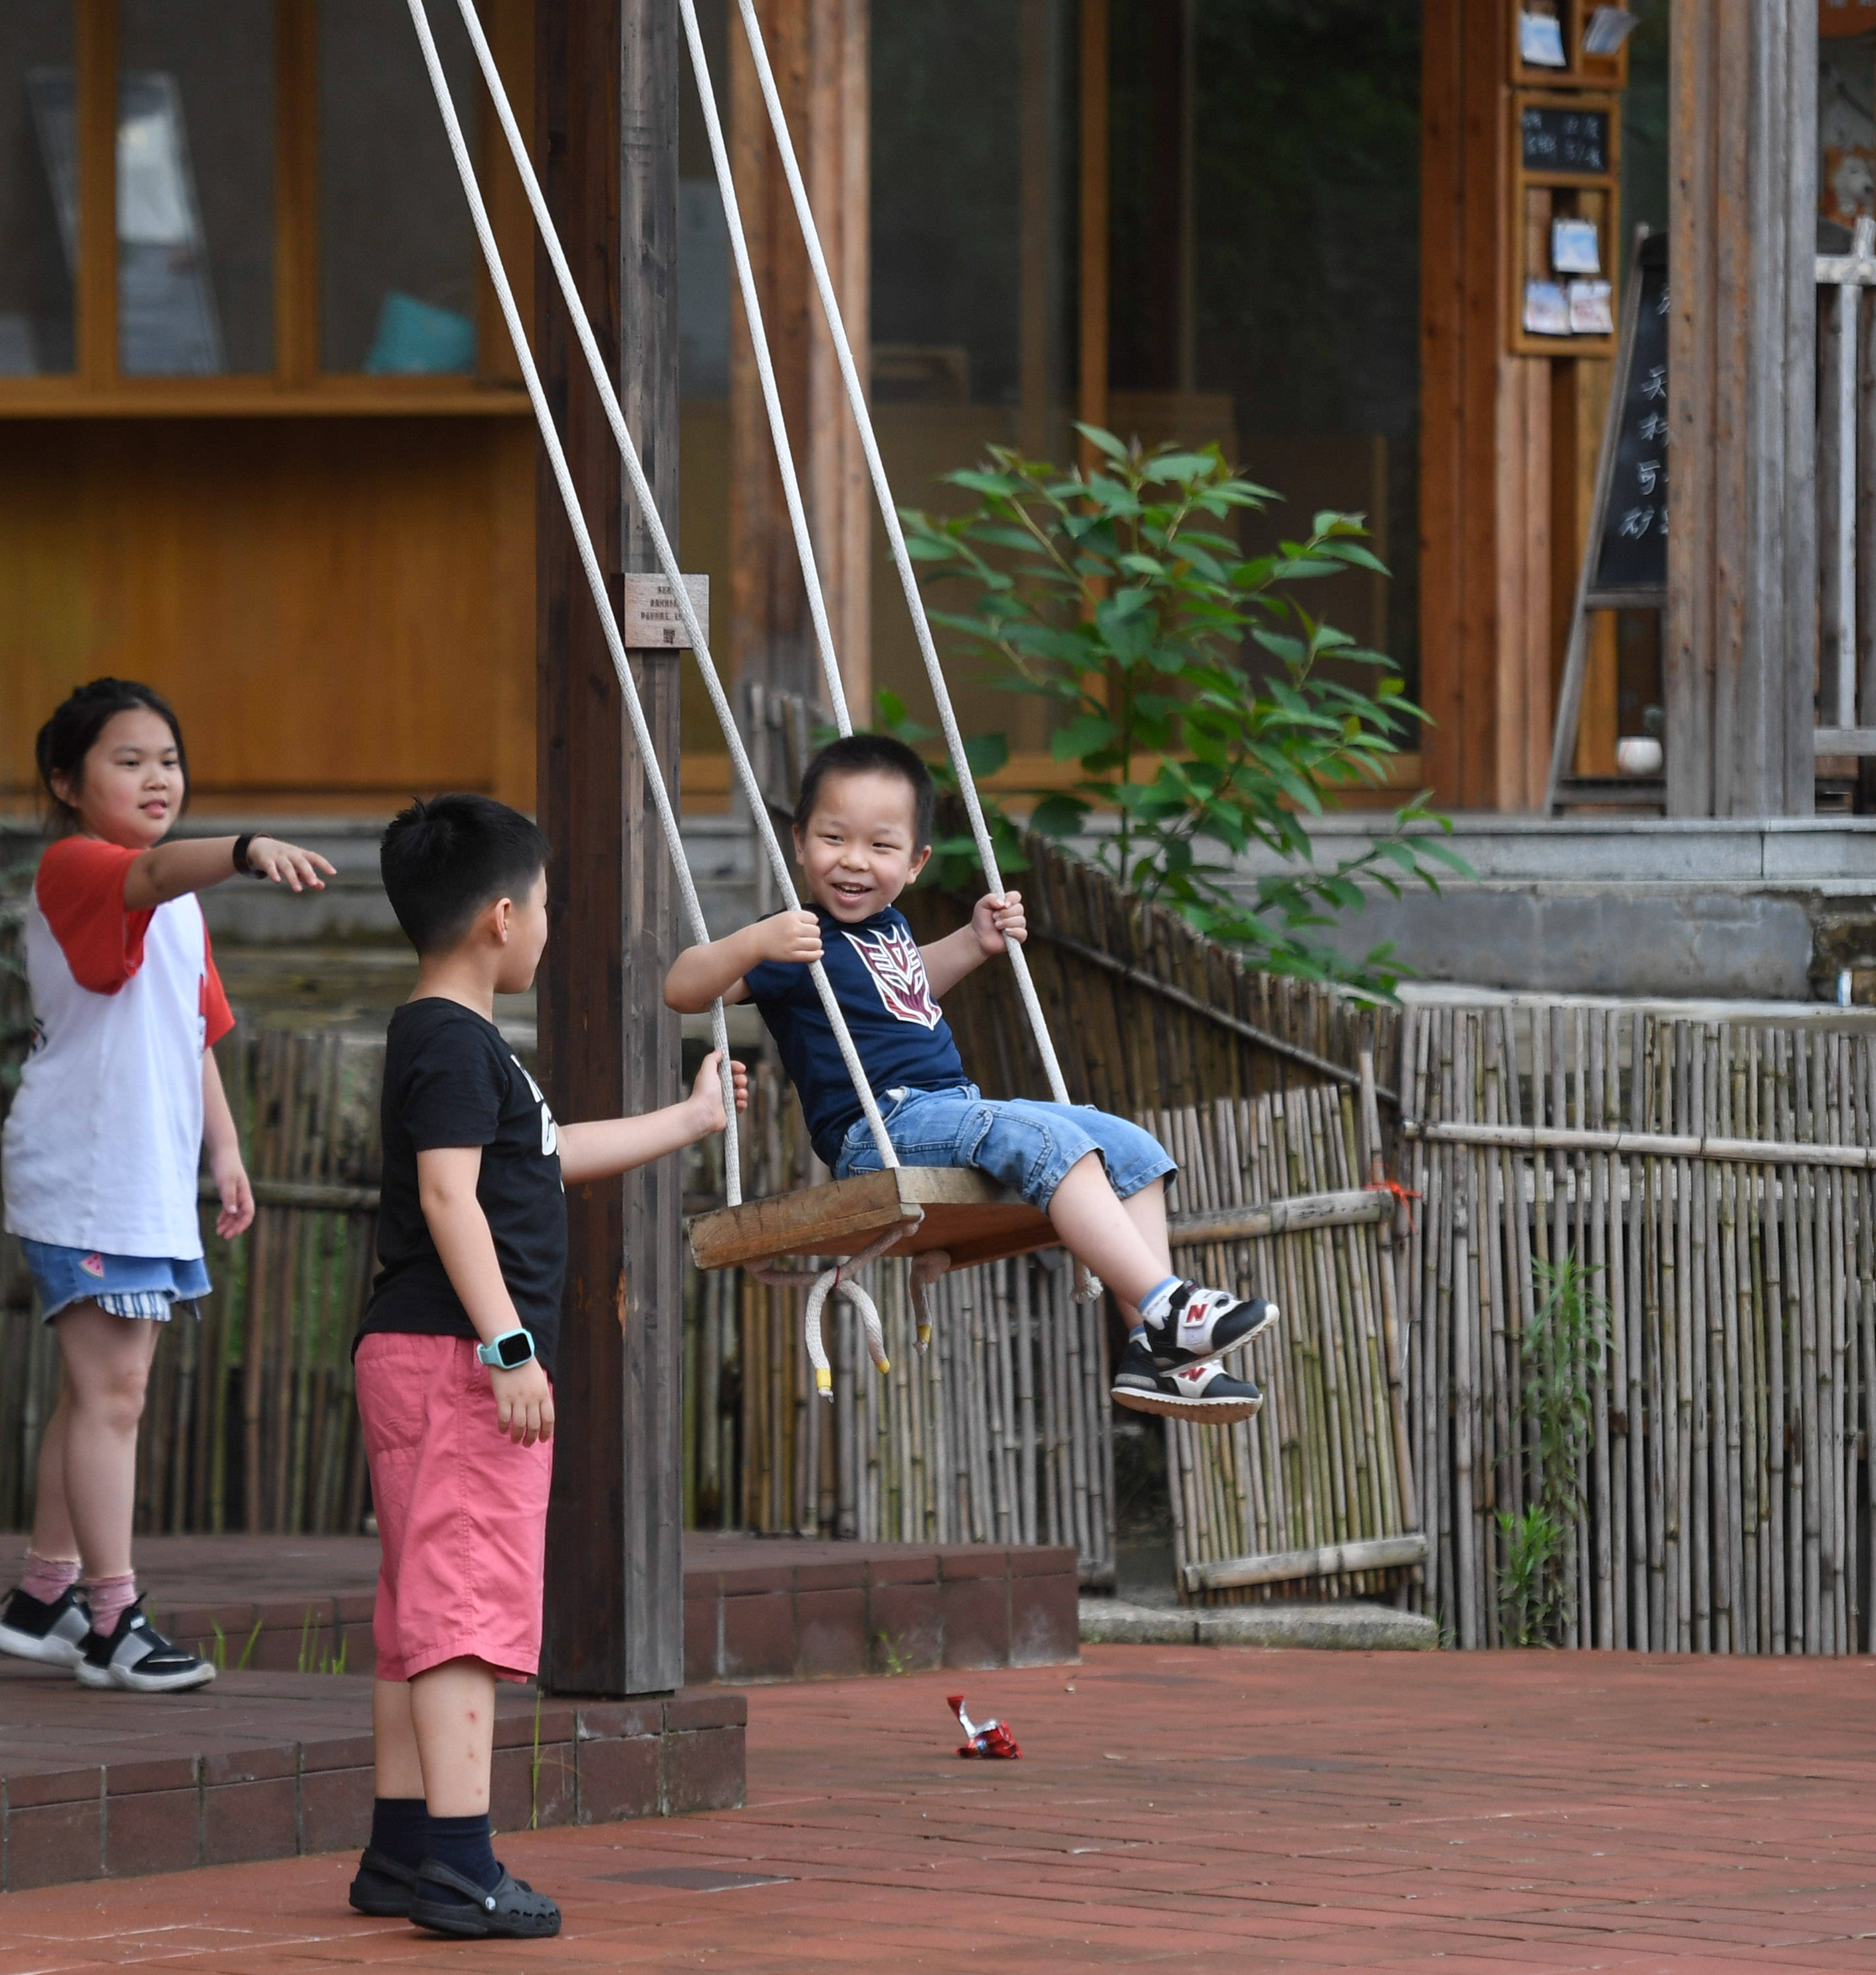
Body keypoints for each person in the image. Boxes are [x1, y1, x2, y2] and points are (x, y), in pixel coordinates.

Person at [345, 793, 747, 1940]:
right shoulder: (454, 1041)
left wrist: (687, 1119)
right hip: (454, 1358)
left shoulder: (452, 1043)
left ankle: (403, 1850)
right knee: (465, 1603)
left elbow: (548, 1153)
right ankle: (462, 1867)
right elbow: (448, 1198)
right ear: (503, 917)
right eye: (551, 909)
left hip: (418, 1353)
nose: (550, 929)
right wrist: (508, 1342)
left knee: (417, 1608)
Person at [661, 733, 1277, 1424]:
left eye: (881, 846)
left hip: (945, 1110)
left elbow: (907, 988)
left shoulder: (885, 930)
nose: (854, 861)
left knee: (1130, 1147)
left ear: (917, 862)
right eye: (833, 837)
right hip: (881, 1128)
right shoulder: (791, 938)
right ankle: (1167, 1302)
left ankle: (1154, 1350)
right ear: (799, 841)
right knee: (1046, 1140)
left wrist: (972, 942)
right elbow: (682, 987)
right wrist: (754, 940)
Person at [0, 678, 336, 1691]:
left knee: (99, 1390)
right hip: (85, 1174)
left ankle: (45, 1594)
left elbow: (194, 1034)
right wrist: (239, 851)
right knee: (114, 1392)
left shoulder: (175, 903)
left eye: (168, 760)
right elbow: (148, 877)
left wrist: (223, 1151)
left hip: (139, 1178)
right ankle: (112, 1620)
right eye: (127, 760)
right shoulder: (78, 867)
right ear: (66, 780)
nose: (155, 777)